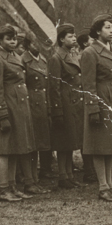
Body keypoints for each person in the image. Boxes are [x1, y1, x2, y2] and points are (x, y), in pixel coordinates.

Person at [79, 14, 112, 201]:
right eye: (108, 27)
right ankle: (103, 187)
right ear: (97, 32)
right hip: (102, 103)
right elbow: (88, 84)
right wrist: (93, 109)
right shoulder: (90, 52)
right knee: (100, 146)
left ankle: (110, 185)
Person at [0, 23, 37, 202]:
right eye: (8, 38)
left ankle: (13, 186)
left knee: (13, 148)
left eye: (15, 38)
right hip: (6, 107)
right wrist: (1, 114)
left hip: (18, 107)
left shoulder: (15, 56)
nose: (13, 41)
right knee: (3, 149)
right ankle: (4, 188)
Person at [47, 23, 83, 190]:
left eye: (74, 36)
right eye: (70, 36)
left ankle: (69, 174)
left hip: (74, 101)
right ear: (61, 39)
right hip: (65, 102)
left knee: (71, 140)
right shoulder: (56, 58)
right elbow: (54, 87)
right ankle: (63, 175)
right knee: (64, 141)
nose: (74, 38)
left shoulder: (71, 55)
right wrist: (57, 110)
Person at [19, 33, 52, 194]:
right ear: (27, 44)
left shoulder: (43, 60)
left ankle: (35, 179)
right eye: (34, 43)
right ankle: (29, 180)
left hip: (42, 105)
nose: (37, 45)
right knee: (30, 144)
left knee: (38, 143)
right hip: (30, 104)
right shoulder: (23, 60)